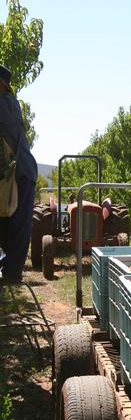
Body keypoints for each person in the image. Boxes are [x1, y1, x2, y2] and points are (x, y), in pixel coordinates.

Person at [0, 64, 38, 284]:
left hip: (20, 175)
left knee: (17, 228)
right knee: (5, 226)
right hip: (8, 176)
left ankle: (12, 274)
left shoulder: (8, 105)